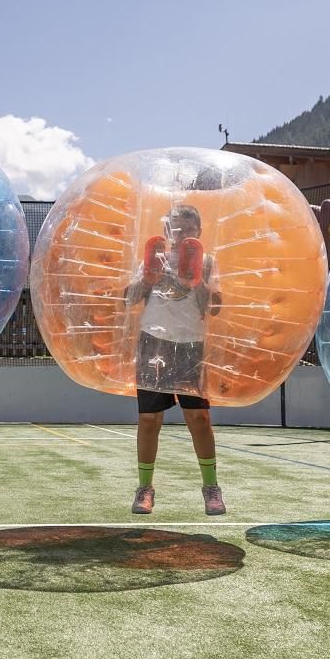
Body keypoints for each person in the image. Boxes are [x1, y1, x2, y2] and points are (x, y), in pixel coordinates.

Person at [124, 202, 225, 516]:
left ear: (198, 231)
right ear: (168, 230)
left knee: (199, 419)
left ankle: (211, 487)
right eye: (176, 228)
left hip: (191, 345)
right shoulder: (153, 257)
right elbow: (128, 298)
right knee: (149, 419)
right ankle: (145, 488)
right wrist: (148, 280)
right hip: (153, 344)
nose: (181, 234)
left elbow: (217, 307)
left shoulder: (207, 261)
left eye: (188, 229)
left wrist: (199, 284)